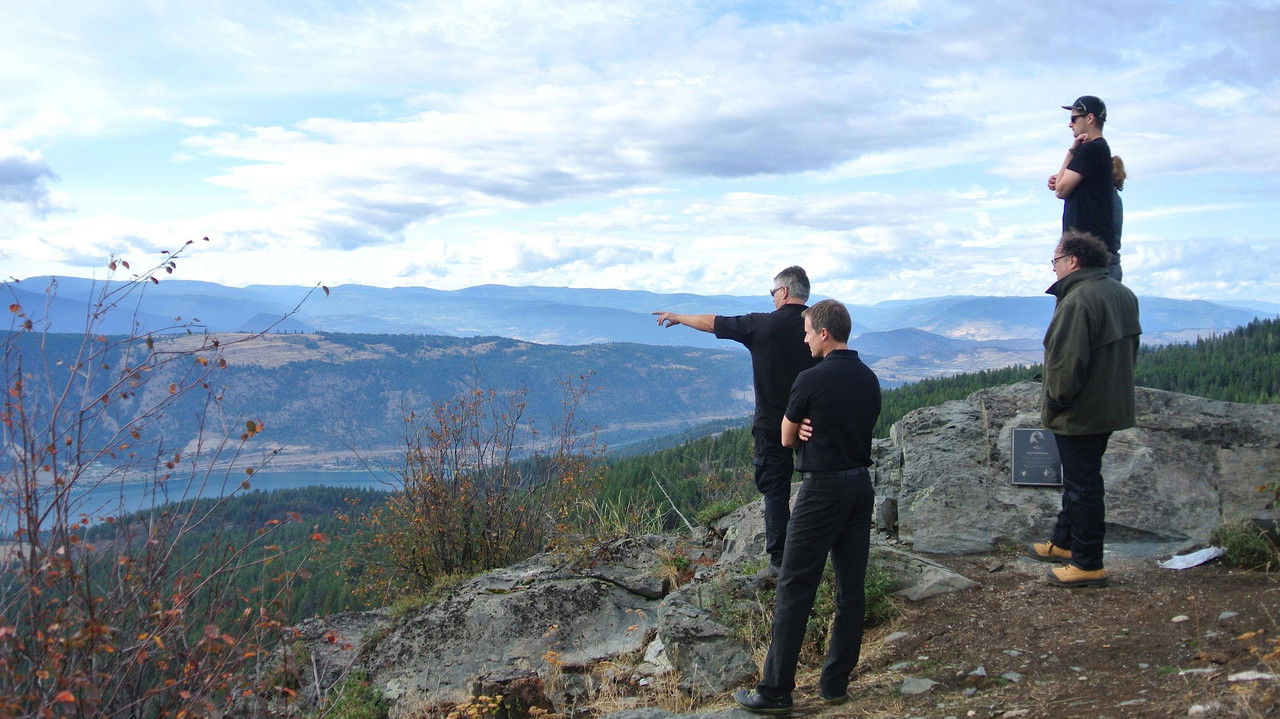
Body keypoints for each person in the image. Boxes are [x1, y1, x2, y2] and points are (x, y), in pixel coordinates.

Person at [733, 299, 881, 715]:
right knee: (851, 590)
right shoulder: (869, 378)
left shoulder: (810, 379)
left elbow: (784, 439)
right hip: (860, 487)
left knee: (795, 587)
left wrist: (799, 429)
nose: (803, 339)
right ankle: (835, 684)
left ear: (824, 334)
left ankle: (776, 690)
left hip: (821, 492)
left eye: (807, 331)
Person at [653, 267, 819, 575]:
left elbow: (713, 323)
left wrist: (678, 316)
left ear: (783, 292)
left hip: (771, 424)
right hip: (812, 423)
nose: (772, 298)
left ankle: (780, 562)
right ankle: (818, 549)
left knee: (775, 489)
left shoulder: (763, 325)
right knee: (817, 483)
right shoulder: (820, 326)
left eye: (773, 293)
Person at [1030, 230, 1141, 588]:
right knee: (1079, 477)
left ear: (1073, 261)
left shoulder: (1079, 300)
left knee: (1083, 484)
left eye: (1056, 261)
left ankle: (1088, 561)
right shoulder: (1122, 294)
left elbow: (1065, 362)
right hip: (1108, 404)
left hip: (1080, 411)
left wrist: (1058, 399)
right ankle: (1064, 543)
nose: (1054, 270)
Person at [1048, 95, 1122, 280]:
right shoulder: (1096, 150)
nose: (1070, 124)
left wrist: (1071, 151)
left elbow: (1060, 190)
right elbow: (1060, 185)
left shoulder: (1092, 149)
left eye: (1074, 118)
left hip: (1087, 254)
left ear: (1090, 118)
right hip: (1090, 251)